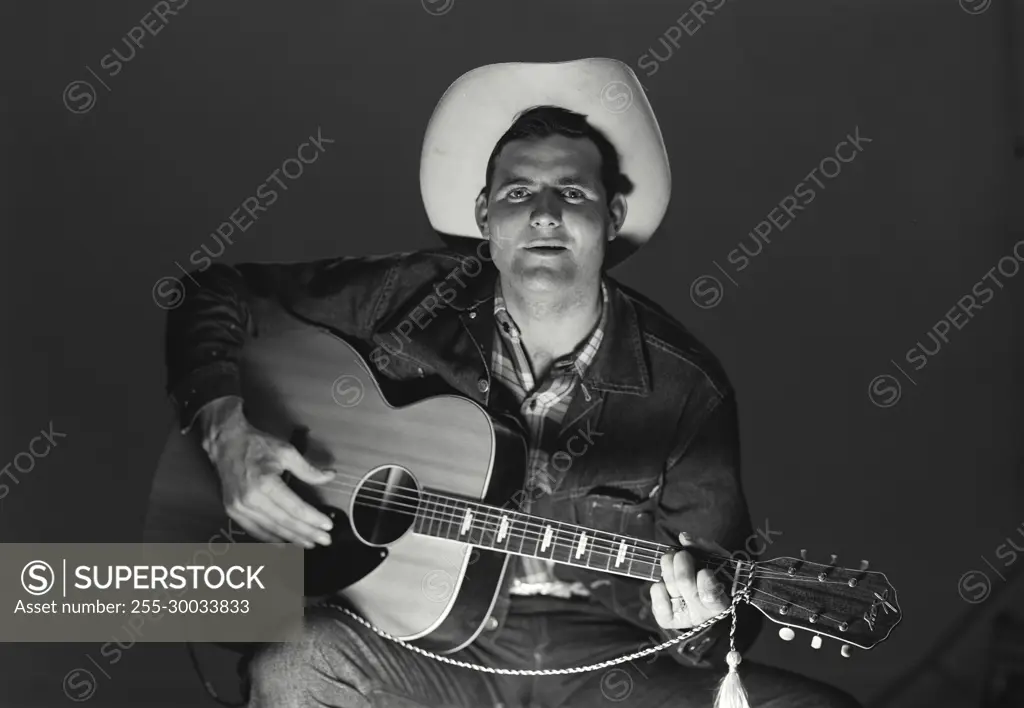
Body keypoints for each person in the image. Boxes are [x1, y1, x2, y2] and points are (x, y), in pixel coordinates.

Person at [164, 58, 860, 708]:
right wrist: (226, 429)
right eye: (519, 193)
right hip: (411, 647)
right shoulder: (411, 296)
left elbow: (722, 628)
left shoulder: (686, 391)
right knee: (292, 663)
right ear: (485, 218)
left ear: (610, 218)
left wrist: (704, 617)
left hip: (601, 668)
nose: (545, 214)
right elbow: (211, 292)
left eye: (573, 193)